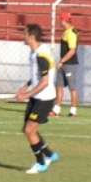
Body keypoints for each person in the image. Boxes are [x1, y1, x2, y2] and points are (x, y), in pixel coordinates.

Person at [15, 24, 61, 174]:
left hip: (44, 98)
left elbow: (45, 81)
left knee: (29, 130)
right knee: (28, 130)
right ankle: (49, 154)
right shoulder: (34, 52)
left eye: (25, 34)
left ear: (31, 37)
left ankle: (41, 163)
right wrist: (25, 86)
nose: (23, 37)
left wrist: (26, 95)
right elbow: (36, 75)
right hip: (36, 96)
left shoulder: (41, 55)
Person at [52, 12, 79, 117]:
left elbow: (72, 50)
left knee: (72, 87)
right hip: (63, 63)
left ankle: (73, 111)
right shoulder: (67, 31)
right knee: (59, 86)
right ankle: (56, 110)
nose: (60, 21)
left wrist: (62, 61)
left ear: (64, 20)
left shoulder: (71, 32)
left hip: (70, 64)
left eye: (61, 19)